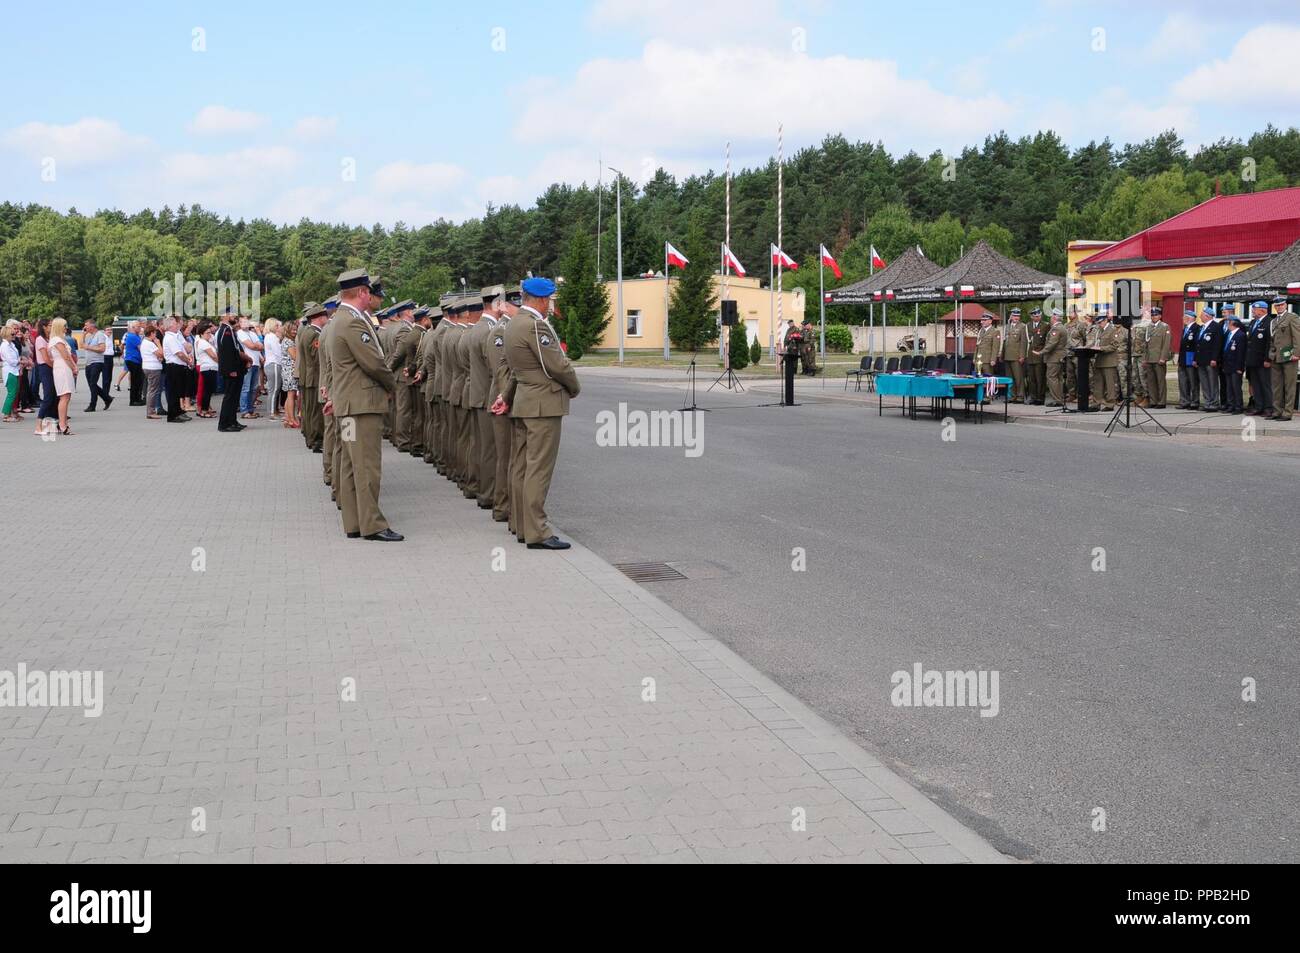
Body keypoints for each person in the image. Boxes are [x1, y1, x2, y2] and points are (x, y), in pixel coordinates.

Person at [495, 277, 579, 550]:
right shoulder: (534, 326)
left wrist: (506, 396)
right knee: (538, 470)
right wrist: (574, 387)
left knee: (520, 467)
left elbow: (513, 371)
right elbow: (558, 365)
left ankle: (521, 525)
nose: (551, 306)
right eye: (551, 300)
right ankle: (537, 531)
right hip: (542, 405)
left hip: (524, 402)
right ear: (542, 300)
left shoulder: (511, 325)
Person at [328, 268, 401, 542]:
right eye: (368, 291)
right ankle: (372, 524)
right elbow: (374, 363)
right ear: (360, 292)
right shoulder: (353, 322)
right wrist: (392, 386)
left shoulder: (340, 319)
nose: (370, 296)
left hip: (349, 406)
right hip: (362, 407)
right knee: (367, 465)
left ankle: (354, 522)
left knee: (350, 465)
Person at [467, 289, 502, 508]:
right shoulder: (489, 330)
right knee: (490, 450)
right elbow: (496, 368)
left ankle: (482, 488)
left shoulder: (477, 327)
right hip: (487, 394)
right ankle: (489, 494)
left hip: (478, 393)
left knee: (481, 447)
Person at [384, 301, 419, 453]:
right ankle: (403, 440)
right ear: (406, 313)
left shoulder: (392, 328)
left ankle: (396, 436)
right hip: (401, 373)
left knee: (397, 408)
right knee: (403, 410)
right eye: (412, 310)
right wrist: (389, 369)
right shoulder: (404, 329)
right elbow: (400, 353)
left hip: (396, 374)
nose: (414, 313)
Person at [297, 302, 329, 452]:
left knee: (310, 411)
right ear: (318, 318)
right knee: (315, 412)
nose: (327, 318)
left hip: (308, 376)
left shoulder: (307, 331)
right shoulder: (314, 334)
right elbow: (316, 358)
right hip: (314, 377)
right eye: (324, 316)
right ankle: (316, 441)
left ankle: (311, 438)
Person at [1267, 295, 1300, 421]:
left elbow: (1297, 337)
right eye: (1277, 305)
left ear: (1285, 305)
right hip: (1276, 357)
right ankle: (1277, 411)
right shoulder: (1273, 321)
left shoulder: (1292, 317)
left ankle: (1287, 413)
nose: (1279, 307)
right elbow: (1272, 340)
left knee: (1289, 386)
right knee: (1276, 386)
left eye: (1281, 305)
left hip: (1289, 357)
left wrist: (1297, 353)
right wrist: (1271, 354)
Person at [215, 309, 247, 433]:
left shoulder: (229, 329)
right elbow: (227, 353)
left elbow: (236, 349)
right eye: (232, 314)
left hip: (236, 368)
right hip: (231, 369)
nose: (235, 316)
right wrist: (231, 370)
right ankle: (224, 424)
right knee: (229, 396)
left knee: (234, 397)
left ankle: (232, 421)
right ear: (225, 316)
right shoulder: (225, 330)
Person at [47, 317, 78, 435]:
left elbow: (68, 356)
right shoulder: (56, 340)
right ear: (59, 327)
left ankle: (63, 423)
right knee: (64, 396)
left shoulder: (60, 339)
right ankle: (62, 424)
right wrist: (73, 367)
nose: (66, 328)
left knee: (66, 396)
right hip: (62, 368)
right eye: (64, 326)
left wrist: (74, 366)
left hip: (64, 367)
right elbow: (65, 356)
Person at [1244, 301, 1273, 416]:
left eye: (1254, 309)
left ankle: (1268, 407)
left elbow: (1269, 343)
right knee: (1255, 384)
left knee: (1265, 384)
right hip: (1252, 359)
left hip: (1263, 360)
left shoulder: (1269, 322)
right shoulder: (1253, 322)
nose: (1252, 311)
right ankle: (1259, 406)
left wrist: (1268, 359)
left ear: (1263, 310)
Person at [162, 316, 193, 423]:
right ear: (170, 326)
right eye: (175, 323)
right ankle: (172, 415)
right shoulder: (170, 338)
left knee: (178, 391)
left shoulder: (174, 336)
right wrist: (188, 361)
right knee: (173, 392)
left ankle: (178, 412)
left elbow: (184, 349)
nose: (177, 325)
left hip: (179, 367)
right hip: (174, 367)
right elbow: (179, 353)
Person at [1140, 305, 1171, 409]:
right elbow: (1145, 344)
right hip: (1149, 358)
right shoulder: (1148, 327)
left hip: (1159, 358)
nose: (1154, 317)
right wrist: (1144, 358)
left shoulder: (1164, 327)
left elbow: (1166, 344)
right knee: (1151, 381)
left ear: (1160, 316)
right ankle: (1153, 401)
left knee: (1160, 381)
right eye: (1152, 315)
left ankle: (1161, 402)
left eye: (1156, 315)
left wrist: (1163, 357)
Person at [1194, 305, 1224, 411]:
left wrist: (1214, 359)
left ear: (1207, 316)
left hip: (1210, 360)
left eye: (1202, 315)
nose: (1200, 316)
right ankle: (1207, 402)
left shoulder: (1216, 327)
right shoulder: (1202, 327)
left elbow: (1217, 344)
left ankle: (1214, 403)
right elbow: (1198, 345)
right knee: (1204, 382)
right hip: (1201, 360)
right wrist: (1196, 359)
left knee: (1212, 382)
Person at [1036, 307, 1068, 407]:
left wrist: (1041, 352)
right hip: (1058, 357)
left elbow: (1051, 343)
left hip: (1054, 357)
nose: (1050, 318)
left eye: (1051, 316)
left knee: (1052, 378)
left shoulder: (1057, 329)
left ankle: (1057, 400)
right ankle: (1059, 398)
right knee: (1058, 378)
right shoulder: (1061, 327)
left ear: (1054, 317)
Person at [81, 320, 113, 412]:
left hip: (97, 362)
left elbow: (102, 349)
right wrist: (83, 335)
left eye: (86, 325)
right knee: (92, 384)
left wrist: (89, 347)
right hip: (88, 362)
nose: (85, 327)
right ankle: (107, 398)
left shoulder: (100, 335)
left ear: (92, 326)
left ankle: (92, 404)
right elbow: (81, 345)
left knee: (93, 383)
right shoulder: (89, 336)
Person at [1094, 309, 1123, 411]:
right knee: (1098, 383)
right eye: (1098, 322)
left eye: (1100, 322)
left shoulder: (1112, 330)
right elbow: (1096, 343)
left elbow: (1114, 345)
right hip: (1099, 360)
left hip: (1109, 361)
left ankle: (1110, 404)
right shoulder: (1099, 330)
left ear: (1106, 320)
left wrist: (1101, 348)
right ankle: (1097, 402)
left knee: (1110, 384)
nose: (1099, 324)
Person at [32, 319, 57, 434]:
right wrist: (55, 367)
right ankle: (38, 426)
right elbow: (46, 358)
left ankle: (50, 424)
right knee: (48, 396)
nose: (52, 327)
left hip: (50, 367)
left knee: (53, 396)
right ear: (44, 327)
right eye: (50, 325)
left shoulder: (48, 339)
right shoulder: (40, 339)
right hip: (45, 368)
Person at [1220, 314, 1246, 414]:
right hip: (1227, 365)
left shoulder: (1240, 335)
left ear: (1233, 323)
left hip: (1236, 366)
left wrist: (1240, 367)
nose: (1227, 323)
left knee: (1236, 387)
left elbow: (1241, 353)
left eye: (1228, 322)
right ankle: (1230, 405)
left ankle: (1238, 406)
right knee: (1229, 387)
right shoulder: (1229, 334)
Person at [237, 317, 263, 419]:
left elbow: (261, 345)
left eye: (247, 321)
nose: (245, 323)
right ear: (239, 323)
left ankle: (250, 409)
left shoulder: (252, 334)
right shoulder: (240, 333)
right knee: (246, 388)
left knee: (253, 388)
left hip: (256, 363)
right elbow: (251, 346)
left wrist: (256, 346)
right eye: (242, 321)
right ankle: (244, 410)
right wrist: (256, 346)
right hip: (248, 363)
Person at [1001, 307, 1028, 403]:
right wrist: (1002, 354)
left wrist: (1022, 356)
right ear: (1011, 316)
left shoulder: (1023, 326)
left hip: (1017, 356)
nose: (1016, 317)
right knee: (1010, 377)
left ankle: (1020, 396)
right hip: (1007, 355)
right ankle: (1012, 396)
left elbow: (1023, 342)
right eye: (1014, 315)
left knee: (1018, 377)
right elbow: (1005, 341)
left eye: (1018, 316)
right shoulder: (1007, 326)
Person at [194, 321, 219, 418]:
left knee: (209, 390)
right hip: (207, 368)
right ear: (201, 334)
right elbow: (213, 356)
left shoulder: (206, 342)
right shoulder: (202, 342)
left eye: (210, 332)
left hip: (211, 368)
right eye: (207, 333)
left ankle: (206, 408)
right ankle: (204, 410)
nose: (209, 334)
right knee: (207, 390)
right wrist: (222, 362)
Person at [1176, 309, 1200, 409]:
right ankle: (1184, 401)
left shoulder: (1197, 328)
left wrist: (1195, 359)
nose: (1183, 319)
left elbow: (1197, 345)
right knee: (1183, 381)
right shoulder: (1185, 329)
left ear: (1190, 318)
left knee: (1193, 381)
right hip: (1183, 359)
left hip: (1191, 358)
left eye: (1185, 317)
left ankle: (1194, 402)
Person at [1025, 307, 1048, 405]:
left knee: (1040, 378)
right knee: (1032, 379)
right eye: (1035, 316)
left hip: (1039, 355)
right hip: (1030, 355)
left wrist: (1043, 353)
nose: (1037, 318)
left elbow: (1047, 341)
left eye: (1038, 316)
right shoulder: (1028, 325)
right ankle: (1033, 397)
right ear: (1031, 316)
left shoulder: (1045, 325)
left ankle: (1040, 398)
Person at [140, 325, 165, 419]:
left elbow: (160, 356)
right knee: (153, 390)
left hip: (148, 367)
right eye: (155, 333)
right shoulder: (150, 344)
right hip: (153, 368)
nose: (156, 335)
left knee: (152, 389)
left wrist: (160, 357)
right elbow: (162, 354)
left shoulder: (145, 342)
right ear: (151, 333)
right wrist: (158, 343)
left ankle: (151, 410)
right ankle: (151, 412)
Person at [280, 319, 300, 429]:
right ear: (287, 330)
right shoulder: (289, 342)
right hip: (290, 371)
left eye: (296, 329)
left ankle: (288, 418)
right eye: (292, 330)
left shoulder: (285, 340)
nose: (295, 331)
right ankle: (292, 419)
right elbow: (295, 357)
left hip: (287, 371)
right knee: (291, 395)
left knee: (289, 395)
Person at [2, 322, 24, 422]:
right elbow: (11, 360)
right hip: (10, 371)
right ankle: (6, 415)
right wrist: (20, 361)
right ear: (6, 335)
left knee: (14, 393)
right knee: (12, 393)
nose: (14, 335)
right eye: (12, 334)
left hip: (14, 370)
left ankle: (9, 412)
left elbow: (15, 357)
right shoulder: (5, 346)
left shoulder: (11, 345)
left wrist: (19, 360)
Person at [262, 319, 283, 419]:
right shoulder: (271, 337)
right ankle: (271, 413)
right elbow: (277, 352)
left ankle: (274, 410)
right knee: (274, 389)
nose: (278, 328)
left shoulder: (270, 336)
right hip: (274, 364)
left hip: (273, 364)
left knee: (275, 389)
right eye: (276, 326)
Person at [121, 320, 145, 405]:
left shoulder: (135, 336)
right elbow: (141, 349)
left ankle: (136, 399)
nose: (140, 328)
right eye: (138, 326)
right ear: (133, 327)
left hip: (134, 360)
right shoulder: (133, 336)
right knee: (136, 381)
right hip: (133, 360)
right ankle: (134, 400)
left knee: (137, 381)